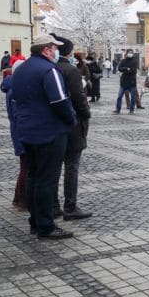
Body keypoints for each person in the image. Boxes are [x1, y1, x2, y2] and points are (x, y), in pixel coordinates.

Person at [12, 34, 76, 239]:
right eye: (54, 48)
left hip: (27, 130)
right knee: (47, 180)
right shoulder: (49, 70)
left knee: (33, 176)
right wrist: (71, 120)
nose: (56, 51)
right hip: (50, 132)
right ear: (46, 50)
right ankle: (46, 225)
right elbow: (59, 101)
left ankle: (35, 221)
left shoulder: (21, 69)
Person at [54, 35, 93, 220]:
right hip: (73, 125)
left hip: (53, 126)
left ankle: (53, 205)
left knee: (53, 167)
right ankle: (70, 205)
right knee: (71, 167)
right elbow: (79, 99)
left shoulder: (51, 68)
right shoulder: (70, 70)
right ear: (68, 52)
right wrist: (86, 114)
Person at [1, 59, 26, 209]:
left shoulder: (12, 86)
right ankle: (22, 200)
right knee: (26, 166)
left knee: (25, 165)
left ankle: (18, 197)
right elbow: (19, 114)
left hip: (19, 130)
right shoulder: (15, 89)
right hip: (21, 132)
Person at [114, 49, 138, 114]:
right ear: (126, 53)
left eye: (131, 52)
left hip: (132, 82)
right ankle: (118, 109)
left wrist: (125, 70)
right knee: (119, 96)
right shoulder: (123, 61)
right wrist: (127, 69)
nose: (130, 53)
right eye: (129, 52)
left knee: (133, 97)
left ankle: (131, 110)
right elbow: (119, 68)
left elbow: (133, 70)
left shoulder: (135, 61)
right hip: (123, 82)